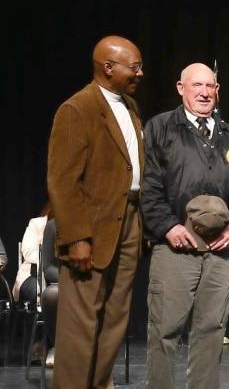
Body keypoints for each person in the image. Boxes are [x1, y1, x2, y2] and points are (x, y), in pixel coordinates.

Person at [141, 63, 229, 389]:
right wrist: (167, 227)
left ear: (217, 90)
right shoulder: (161, 128)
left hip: (219, 253)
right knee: (164, 331)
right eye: (197, 86)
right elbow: (149, 187)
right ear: (181, 88)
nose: (205, 92)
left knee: (211, 331)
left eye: (211, 86)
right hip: (174, 247)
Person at [47, 35, 144, 389]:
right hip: (91, 230)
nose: (140, 73)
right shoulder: (78, 109)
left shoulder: (130, 107)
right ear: (107, 67)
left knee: (115, 318)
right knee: (80, 325)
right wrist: (76, 238)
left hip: (129, 222)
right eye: (133, 67)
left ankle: (99, 384)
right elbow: (63, 181)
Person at [13, 203, 53, 302]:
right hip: (33, 275)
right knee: (43, 293)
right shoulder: (37, 223)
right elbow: (28, 252)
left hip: (59, 276)